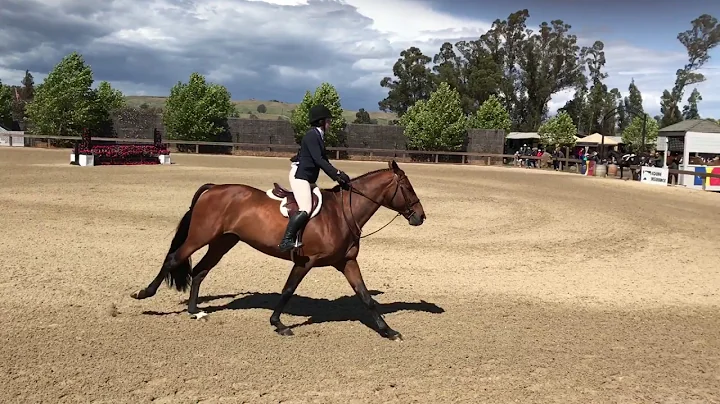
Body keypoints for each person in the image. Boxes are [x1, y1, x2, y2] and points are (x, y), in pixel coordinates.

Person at [278, 104, 352, 252]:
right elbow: (319, 160)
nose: (329, 123)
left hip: (308, 178)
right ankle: (286, 241)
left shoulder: (318, 135)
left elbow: (324, 160)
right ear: (321, 122)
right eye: (328, 120)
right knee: (306, 208)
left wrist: (338, 174)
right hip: (301, 177)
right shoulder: (312, 135)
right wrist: (336, 175)